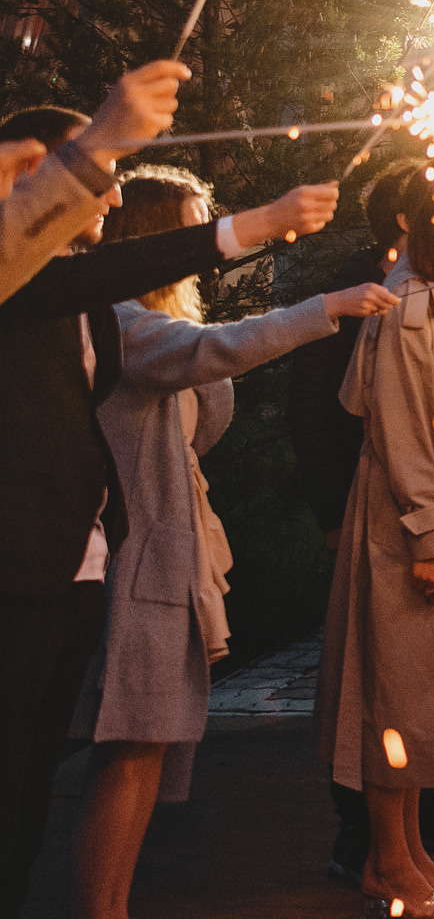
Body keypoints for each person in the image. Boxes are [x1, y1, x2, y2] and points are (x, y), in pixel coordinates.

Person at [0, 101, 335, 919]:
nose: (112, 197)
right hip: (34, 570)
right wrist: (269, 239)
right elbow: (207, 350)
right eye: (99, 172)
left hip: (85, 568)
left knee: (31, 791)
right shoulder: (48, 288)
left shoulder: (89, 300)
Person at [70, 168, 398, 919]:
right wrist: (325, 307)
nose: (205, 254)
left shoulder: (152, 324)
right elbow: (217, 352)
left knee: (145, 747)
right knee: (128, 748)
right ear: (153, 238)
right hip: (136, 565)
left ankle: (111, 904)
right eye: (192, 231)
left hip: (166, 560)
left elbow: (206, 405)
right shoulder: (118, 321)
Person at [281, 162, 434, 880]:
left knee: (424, 681)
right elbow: (360, 418)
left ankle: (413, 834)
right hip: (388, 513)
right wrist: (348, 513)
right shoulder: (385, 299)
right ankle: (375, 848)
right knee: (388, 684)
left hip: (429, 509)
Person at [0, 61, 183, 304]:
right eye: (97, 177)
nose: (116, 200)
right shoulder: (24, 299)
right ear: (24, 167)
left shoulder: (90, 300)